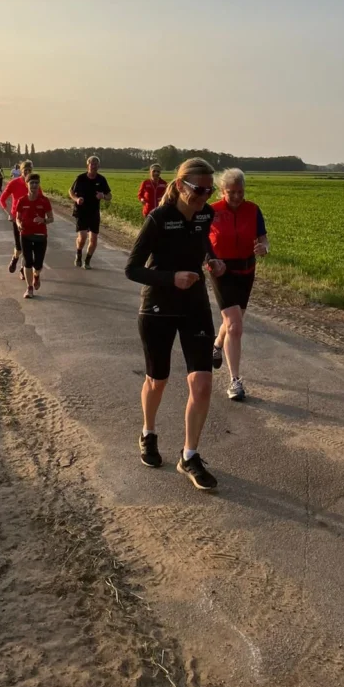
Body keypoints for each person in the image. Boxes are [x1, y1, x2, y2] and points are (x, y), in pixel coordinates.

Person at [125, 157, 226, 491]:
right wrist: (171, 278)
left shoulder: (205, 214)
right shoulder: (158, 218)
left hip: (195, 305)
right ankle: (148, 433)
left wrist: (212, 260)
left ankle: (190, 455)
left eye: (210, 191)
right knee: (158, 379)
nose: (205, 197)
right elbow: (133, 269)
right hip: (158, 305)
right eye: (200, 190)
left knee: (202, 383)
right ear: (181, 185)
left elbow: (202, 243)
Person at [208, 169, 269, 401]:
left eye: (240, 192)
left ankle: (216, 345)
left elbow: (263, 238)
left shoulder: (253, 210)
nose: (236, 197)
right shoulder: (212, 211)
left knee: (235, 321)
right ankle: (234, 381)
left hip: (246, 270)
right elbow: (201, 241)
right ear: (222, 191)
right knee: (235, 326)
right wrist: (210, 261)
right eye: (231, 192)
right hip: (221, 270)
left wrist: (264, 248)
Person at [68, 155, 112, 269]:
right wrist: (77, 199)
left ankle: (87, 261)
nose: (94, 166)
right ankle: (78, 254)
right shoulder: (81, 178)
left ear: (99, 166)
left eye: (96, 164)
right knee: (82, 237)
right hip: (81, 211)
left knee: (93, 238)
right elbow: (71, 191)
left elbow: (109, 195)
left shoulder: (101, 180)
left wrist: (103, 196)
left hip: (94, 212)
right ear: (88, 165)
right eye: (92, 164)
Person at [16, 173, 53, 299]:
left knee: (37, 265)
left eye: (36, 183)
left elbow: (51, 219)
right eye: (31, 183)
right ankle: (29, 288)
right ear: (27, 184)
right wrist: (19, 224)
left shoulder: (44, 200)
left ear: (39, 185)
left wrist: (42, 220)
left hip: (40, 236)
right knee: (27, 262)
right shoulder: (22, 200)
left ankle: (36, 275)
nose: (34, 185)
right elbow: (17, 218)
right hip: (25, 234)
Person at [0, 160, 35, 273]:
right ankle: (15, 258)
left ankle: (23, 269)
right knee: (19, 249)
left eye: (29, 170)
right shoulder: (14, 183)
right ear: (21, 171)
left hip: (30, 220)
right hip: (17, 218)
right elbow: (2, 199)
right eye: (25, 170)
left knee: (28, 248)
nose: (27, 172)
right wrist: (9, 214)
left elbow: (40, 199)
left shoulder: (34, 184)